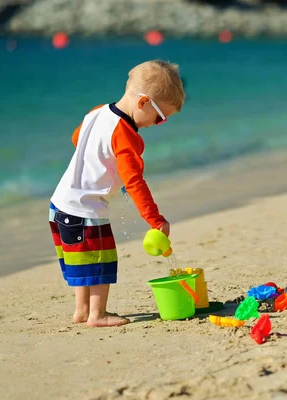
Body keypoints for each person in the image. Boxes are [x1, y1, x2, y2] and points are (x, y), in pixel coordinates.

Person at [48, 60, 185, 327]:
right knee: (101, 261)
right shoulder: (126, 135)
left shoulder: (97, 112)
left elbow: (78, 139)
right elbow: (135, 182)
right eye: (160, 118)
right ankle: (97, 315)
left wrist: (105, 169)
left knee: (84, 261)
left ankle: (82, 310)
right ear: (144, 102)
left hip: (59, 205)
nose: (159, 124)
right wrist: (155, 220)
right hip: (86, 211)